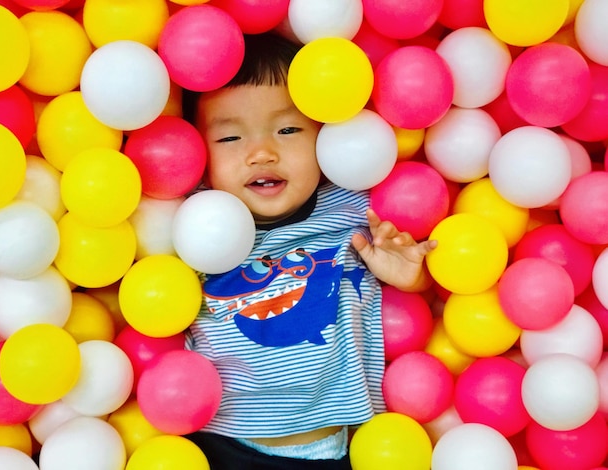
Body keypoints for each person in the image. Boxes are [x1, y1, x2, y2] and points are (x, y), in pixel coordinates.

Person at [182, 32, 436, 470]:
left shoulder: (352, 204)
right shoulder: (190, 222)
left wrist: (412, 276)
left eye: (287, 130)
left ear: (324, 137)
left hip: (338, 449)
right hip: (222, 443)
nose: (262, 152)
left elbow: (420, 271)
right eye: (229, 139)